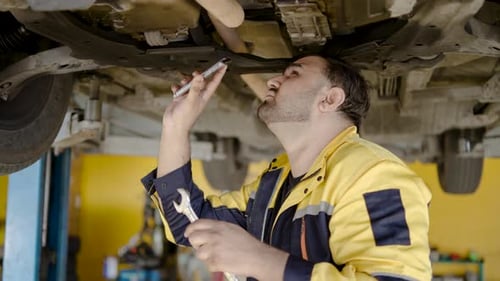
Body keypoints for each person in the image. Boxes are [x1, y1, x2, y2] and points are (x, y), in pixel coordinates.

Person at [141, 55, 432, 281]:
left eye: (293, 74)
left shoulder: (374, 176)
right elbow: (188, 225)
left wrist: (261, 261)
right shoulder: (274, 182)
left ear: (330, 99)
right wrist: (175, 127)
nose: (271, 81)